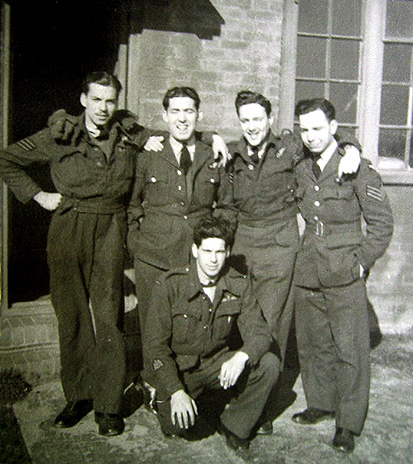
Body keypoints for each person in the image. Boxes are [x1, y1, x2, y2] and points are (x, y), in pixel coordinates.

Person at [0, 71, 156, 436]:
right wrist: (39, 195)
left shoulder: (130, 134)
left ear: (116, 104)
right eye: (96, 99)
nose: (103, 108)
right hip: (69, 225)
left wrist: (213, 141)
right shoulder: (61, 134)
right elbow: (7, 159)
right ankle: (79, 396)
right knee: (70, 314)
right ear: (83, 99)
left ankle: (108, 404)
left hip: (110, 228)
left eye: (110, 101)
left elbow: (170, 139)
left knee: (108, 314)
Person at [227, 90, 361, 433]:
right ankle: (242, 395)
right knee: (242, 321)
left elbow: (328, 136)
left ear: (270, 120)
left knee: (272, 326)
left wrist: (353, 148)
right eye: (246, 120)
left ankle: (265, 407)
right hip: (242, 243)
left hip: (279, 244)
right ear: (239, 122)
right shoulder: (231, 153)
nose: (253, 126)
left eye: (259, 119)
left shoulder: (290, 147)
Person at [291, 98, 394, 453]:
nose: (310, 136)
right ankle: (320, 402)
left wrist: (361, 262)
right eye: (304, 129)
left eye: (318, 128)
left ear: (334, 128)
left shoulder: (358, 168)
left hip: (345, 271)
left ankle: (348, 422)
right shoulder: (300, 164)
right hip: (308, 268)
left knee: (350, 349)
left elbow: (382, 224)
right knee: (313, 343)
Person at [142, 217, 279, 457]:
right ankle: (151, 390)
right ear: (195, 250)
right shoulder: (171, 285)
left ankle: (235, 426)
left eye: (219, 251)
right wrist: (176, 391)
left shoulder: (238, 284)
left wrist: (242, 357)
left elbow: (260, 332)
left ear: (227, 252)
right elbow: (155, 348)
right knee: (180, 427)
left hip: (217, 363)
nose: (213, 259)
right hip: (182, 369)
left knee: (269, 364)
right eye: (207, 251)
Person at [127, 86, 236, 337]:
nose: (182, 118)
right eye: (175, 111)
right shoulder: (148, 156)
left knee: (191, 327)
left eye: (189, 111)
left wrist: (214, 243)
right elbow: (132, 205)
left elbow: (227, 206)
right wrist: (136, 243)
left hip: (194, 260)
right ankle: (153, 377)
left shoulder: (213, 156)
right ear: (165, 116)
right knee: (153, 327)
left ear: (198, 115)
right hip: (153, 257)